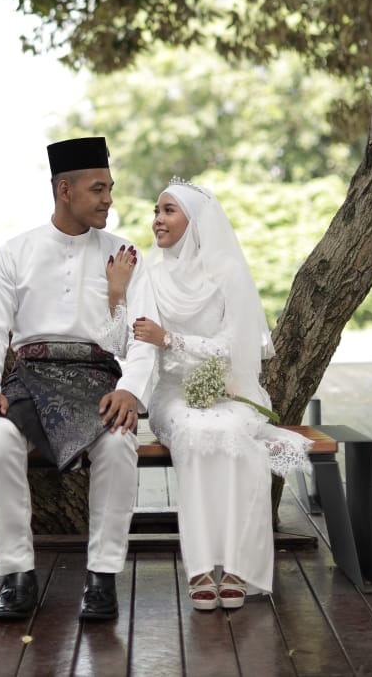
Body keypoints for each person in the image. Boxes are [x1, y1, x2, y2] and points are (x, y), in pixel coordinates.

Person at [0, 136, 159, 622]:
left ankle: (102, 576)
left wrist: (130, 390)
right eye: (98, 189)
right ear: (64, 190)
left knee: (118, 443)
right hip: (30, 379)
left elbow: (143, 335)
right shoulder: (15, 252)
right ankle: (17, 574)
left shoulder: (124, 253)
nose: (108, 199)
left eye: (110, 188)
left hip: (98, 378)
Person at [123, 178, 312, 611]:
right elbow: (134, 340)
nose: (158, 220)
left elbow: (234, 346)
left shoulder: (227, 273)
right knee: (195, 434)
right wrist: (121, 296)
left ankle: (239, 566)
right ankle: (202, 567)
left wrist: (171, 339)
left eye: (168, 210)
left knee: (233, 435)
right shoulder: (150, 274)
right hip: (174, 396)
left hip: (228, 391)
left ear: (195, 219)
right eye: (156, 211)